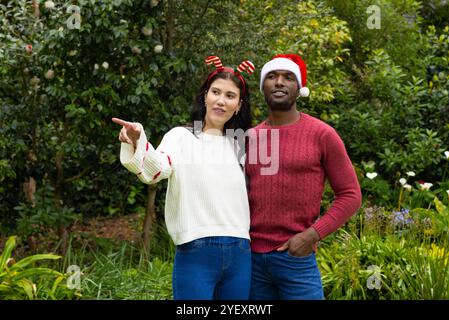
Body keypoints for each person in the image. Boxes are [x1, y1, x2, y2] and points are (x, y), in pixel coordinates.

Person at [112, 56, 255, 300]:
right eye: (216, 92)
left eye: (230, 96)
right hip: (196, 251)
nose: (221, 101)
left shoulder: (242, 145)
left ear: (239, 105)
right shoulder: (181, 137)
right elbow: (156, 170)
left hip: (240, 253)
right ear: (205, 96)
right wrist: (138, 139)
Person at [245, 54, 362, 300]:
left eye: (288, 77)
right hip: (250, 263)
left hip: (296, 260)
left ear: (299, 89)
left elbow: (350, 195)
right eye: (272, 77)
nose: (279, 82)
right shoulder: (248, 138)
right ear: (262, 87)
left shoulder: (322, 135)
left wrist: (311, 236)